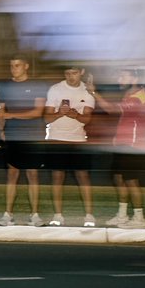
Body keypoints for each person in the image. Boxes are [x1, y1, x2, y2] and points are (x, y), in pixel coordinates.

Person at [92, 68, 145, 229]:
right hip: (122, 145)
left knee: (132, 181)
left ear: (135, 78)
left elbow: (112, 110)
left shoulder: (139, 97)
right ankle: (122, 216)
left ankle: (139, 218)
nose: (119, 79)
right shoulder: (130, 95)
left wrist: (94, 93)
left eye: (123, 76)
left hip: (134, 146)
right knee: (119, 179)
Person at [0, 54, 45, 227]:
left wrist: (12, 115)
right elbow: (1, 111)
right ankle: (8, 214)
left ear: (26, 67)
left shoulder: (37, 86)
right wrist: (1, 128)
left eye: (17, 65)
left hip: (32, 137)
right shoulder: (5, 86)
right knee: (12, 175)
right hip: (12, 136)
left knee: (32, 175)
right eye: (11, 65)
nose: (13, 69)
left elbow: (38, 112)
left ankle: (35, 215)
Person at [44, 62, 97, 227]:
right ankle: (58, 215)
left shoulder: (87, 91)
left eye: (73, 73)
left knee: (83, 177)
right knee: (57, 177)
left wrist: (76, 116)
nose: (70, 76)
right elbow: (47, 118)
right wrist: (59, 113)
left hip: (78, 140)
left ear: (81, 72)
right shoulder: (55, 89)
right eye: (67, 73)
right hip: (56, 138)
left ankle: (89, 215)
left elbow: (87, 119)